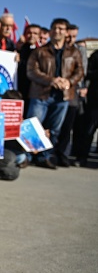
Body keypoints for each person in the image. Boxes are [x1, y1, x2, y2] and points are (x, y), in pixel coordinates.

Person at [26, 18, 84, 169]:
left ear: (66, 32)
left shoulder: (74, 52)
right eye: (55, 28)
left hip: (62, 97)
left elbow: (79, 71)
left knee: (54, 130)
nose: (57, 31)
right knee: (33, 126)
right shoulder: (40, 51)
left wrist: (69, 82)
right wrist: (51, 80)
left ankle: (44, 157)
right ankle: (27, 156)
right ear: (51, 31)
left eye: (61, 29)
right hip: (40, 94)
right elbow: (32, 71)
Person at [54, 23, 88, 167]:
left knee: (67, 126)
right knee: (55, 125)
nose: (70, 39)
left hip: (72, 93)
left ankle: (63, 153)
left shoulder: (79, 51)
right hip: (56, 91)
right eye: (69, 36)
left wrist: (69, 82)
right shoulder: (58, 48)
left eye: (74, 36)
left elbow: (81, 71)